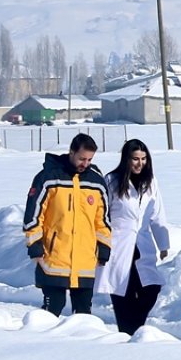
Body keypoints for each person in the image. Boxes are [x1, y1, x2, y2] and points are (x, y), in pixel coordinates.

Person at [23, 133, 112, 317]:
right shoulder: (48, 178)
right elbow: (33, 217)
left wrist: (103, 249)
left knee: (83, 317)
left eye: (89, 160)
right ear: (71, 152)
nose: (85, 164)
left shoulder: (96, 183)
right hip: (53, 260)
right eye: (81, 158)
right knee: (51, 312)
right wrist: (36, 248)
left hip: (85, 262)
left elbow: (102, 221)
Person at [96, 139, 171, 335]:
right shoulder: (112, 180)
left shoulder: (151, 182)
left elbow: (157, 214)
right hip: (118, 246)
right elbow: (101, 214)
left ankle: (134, 328)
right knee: (123, 294)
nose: (140, 163)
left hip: (142, 244)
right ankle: (128, 333)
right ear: (126, 159)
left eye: (144, 159)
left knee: (151, 288)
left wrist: (163, 243)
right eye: (135, 159)